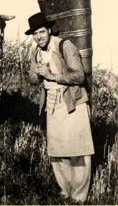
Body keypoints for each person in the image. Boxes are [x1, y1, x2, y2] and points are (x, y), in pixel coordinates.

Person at [25, 12, 95, 203]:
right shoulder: (36, 51)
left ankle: (79, 198)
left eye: (41, 32)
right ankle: (66, 193)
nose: (38, 37)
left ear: (48, 30)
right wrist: (38, 75)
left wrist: (52, 75)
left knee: (78, 151)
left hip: (73, 103)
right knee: (57, 152)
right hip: (52, 105)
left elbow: (79, 76)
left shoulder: (64, 45)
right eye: (35, 34)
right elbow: (31, 78)